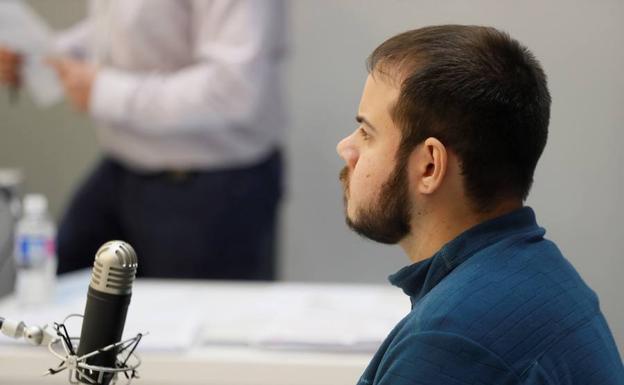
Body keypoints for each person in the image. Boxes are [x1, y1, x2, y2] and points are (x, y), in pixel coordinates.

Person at [336, 25, 624, 384]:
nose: (346, 148)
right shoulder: (545, 277)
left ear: (429, 165)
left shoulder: (452, 341)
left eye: (366, 132)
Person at [0, 1, 286, 280]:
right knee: (51, 295)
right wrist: (46, 59)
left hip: (210, 186)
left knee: (187, 318)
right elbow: (131, 25)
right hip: (123, 167)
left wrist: (103, 91)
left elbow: (234, 88)